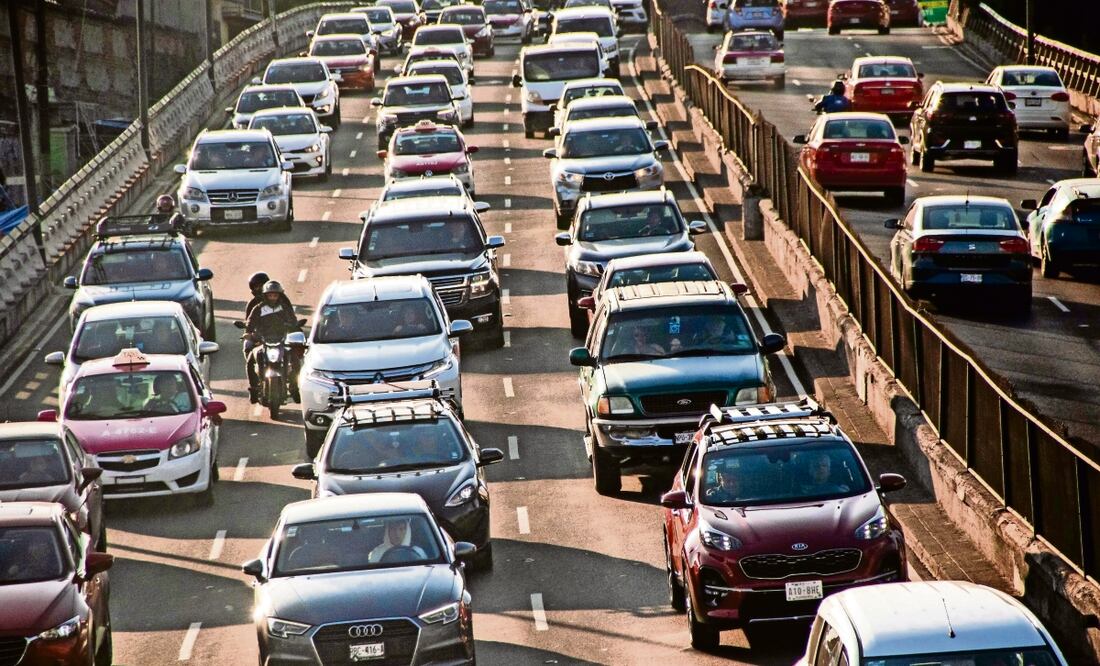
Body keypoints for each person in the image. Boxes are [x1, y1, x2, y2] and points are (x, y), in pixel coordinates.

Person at [245, 281, 302, 404]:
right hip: (263, 340)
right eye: (270, 295)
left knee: (295, 359)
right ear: (265, 296)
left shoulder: (284, 308)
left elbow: (293, 320)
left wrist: (294, 327)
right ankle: (254, 389)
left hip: (281, 340)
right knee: (250, 359)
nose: (272, 298)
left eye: (275, 295)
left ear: (279, 296)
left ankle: (294, 387)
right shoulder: (258, 308)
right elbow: (250, 323)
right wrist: (248, 333)